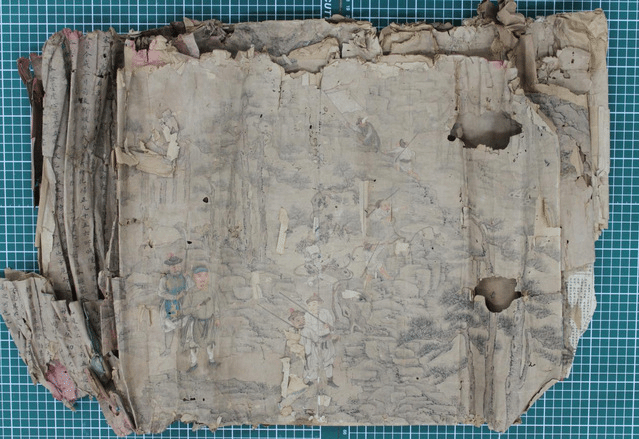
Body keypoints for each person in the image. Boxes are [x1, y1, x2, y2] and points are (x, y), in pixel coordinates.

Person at [182, 265, 220, 372]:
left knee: (210, 342)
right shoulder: (191, 292)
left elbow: (216, 307)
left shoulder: (212, 291)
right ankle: (193, 363)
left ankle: (211, 360)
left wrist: (217, 318)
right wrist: (195, 308)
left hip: (209, 322)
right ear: (194, 277)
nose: (203, 279)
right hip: (195, 323)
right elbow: (184, 310)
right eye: (199, 276)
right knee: (194, 344)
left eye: (205, 275)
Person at [300, 293, 338, 387]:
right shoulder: (307, 316)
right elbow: (308, 330)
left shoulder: (325, 313)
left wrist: (328, 326)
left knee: (328, 360)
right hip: (314, 342)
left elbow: (332, 327)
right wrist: (319, 333)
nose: (312, 307)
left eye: (314, 304)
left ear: (319, 304)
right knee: (313, 361)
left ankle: (329, 380)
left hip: (326, 340)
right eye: (309, 305)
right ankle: (312, 381)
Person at [157, 255, 192, 356]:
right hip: (170, 306)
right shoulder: (164, 279)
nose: (176, 269)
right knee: (169, 329)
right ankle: (168, 349)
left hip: (183, 306)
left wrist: (187, 279)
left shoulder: (184, 277)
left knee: (185, 326)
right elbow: (161, 293)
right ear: (169, 268)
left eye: (178, 266)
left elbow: (191, 288)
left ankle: (184, 347)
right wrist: (175, 297)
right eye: (173, 267)